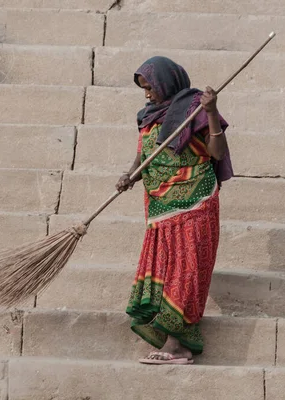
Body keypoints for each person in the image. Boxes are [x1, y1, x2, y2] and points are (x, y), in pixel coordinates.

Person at [116, 56, 233, 365]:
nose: (147, 95)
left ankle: (176, 347)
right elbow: (144, 156)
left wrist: (210, 112)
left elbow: (216, 152)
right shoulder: (147, 116)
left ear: (166, 83)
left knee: (186, 270)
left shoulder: (194, 108)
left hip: (195, 202)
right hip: (159, 207)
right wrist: (130, 175)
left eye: (150, 88)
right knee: (166, 271)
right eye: (143, 89)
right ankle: (170, 343)